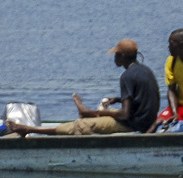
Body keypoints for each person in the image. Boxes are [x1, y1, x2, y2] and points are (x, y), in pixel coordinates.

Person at [9, 39, 159, 136]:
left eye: (116, 55)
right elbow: (139, 99)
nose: (114, 58)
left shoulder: (126, 76)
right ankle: (87, 112)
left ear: (122, 56)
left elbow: (125, 114)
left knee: (81, 126)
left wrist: (103, 112)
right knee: (107, 112)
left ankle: (28, 129)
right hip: (145, 119)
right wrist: (118, 99)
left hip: (133, 125)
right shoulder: (145, 70)